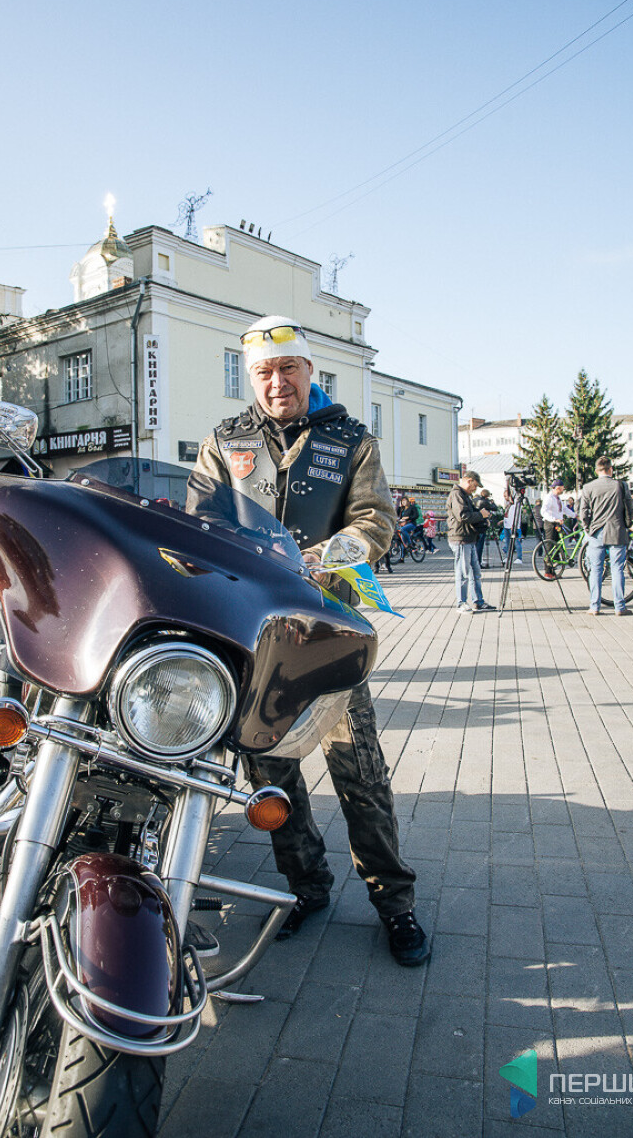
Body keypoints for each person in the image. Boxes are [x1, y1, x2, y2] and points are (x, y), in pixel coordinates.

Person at [192, 315, 429, 966]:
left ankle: (395, 903)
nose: (277, 383)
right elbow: (200, 524)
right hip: (252, 643)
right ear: (252, 378)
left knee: (360, 774)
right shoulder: (225, 442)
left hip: (329, 638)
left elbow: (375, 521)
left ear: (309, 371)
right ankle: (307, 885)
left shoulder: (352, 440)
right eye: (264, 372)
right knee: (271, 778)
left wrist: (323, 558)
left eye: (288, 369)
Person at [578, 455, 633, 616]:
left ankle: (594, 606)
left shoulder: (588, 487)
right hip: (617, 531)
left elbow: (583, 512)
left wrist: (588, 528)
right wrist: (628, 524)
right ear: (610, 469)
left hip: (596, 532)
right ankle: (619, 606)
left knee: (595, 569)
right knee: (617, 569)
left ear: (597, 471)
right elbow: (630, 509)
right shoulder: (621, 485)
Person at [446, 471, 494, 613]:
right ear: (469, 480)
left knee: (475, 572)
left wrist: (482, 518)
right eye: (475, 485)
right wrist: (481, 515)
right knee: (463, 572)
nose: (475, 489)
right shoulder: (457, 494)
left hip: (469, 538)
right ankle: (461, 603)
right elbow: (463, 516)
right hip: (460, 538)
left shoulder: (464, 495)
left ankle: (478, 601)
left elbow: (469, 515)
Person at [539, 479, 577, 580]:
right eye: (562, 488)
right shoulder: (549, 498)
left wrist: (575, 515)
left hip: (558, 523)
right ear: (558, 488)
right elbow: (543, 511)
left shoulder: (558, 498)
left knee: (557, 546)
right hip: (550, 523)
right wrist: (554, 519)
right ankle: (548, 572)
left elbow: (564, 509)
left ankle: (554, 571)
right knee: (550, 547)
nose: (563, 490)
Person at [472, 488, 497, 567]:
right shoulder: (485, 502)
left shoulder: (475, 500)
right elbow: (495, 508)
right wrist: (492, 502)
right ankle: (478, 563)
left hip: (474, 524)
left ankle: (474, 562)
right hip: (482, 525)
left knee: (474, 545)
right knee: (480, 546)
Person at [502, 489, 523, 564]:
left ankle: (519, 558)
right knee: (507, 542)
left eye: (506, 496)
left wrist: (513, 525)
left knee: (516, 542)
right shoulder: (508, 504)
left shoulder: (516, 504)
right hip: (506, 525)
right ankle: (508, 557)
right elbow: (508, 515)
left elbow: (515, 516)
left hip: (513, 526)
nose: (505, 498)